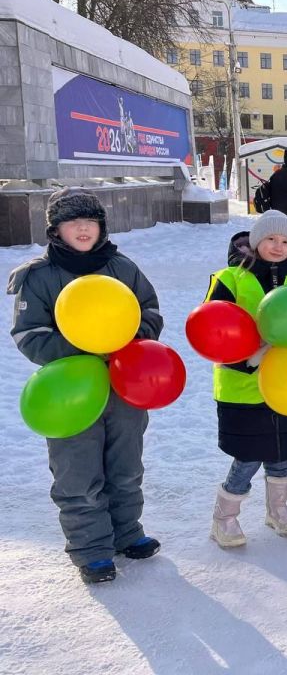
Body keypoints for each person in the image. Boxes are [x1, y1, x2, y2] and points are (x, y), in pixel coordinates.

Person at [7, 188, 164, 584]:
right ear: (56, 229)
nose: (82, 228)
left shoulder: (122, 268)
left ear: (101, 226)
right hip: (70, 394)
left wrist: (128, 338)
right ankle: (91, 549)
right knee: (77, 472)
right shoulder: (39, 276)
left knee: (126, 466)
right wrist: (83, 346)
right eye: (72, 221)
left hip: (123, 388)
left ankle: (127, 532)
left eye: (90, 221)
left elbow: (150, 311)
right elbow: (29, 334)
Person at [205, 210, 287, 547]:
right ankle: (224, 518)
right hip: (242, 383)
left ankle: (277, 510)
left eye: (286, 241)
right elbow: (214, 329)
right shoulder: (231, 278)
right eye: (271, 238)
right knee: (249, 453)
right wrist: (248, 358)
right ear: (256, 240)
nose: (278, 245)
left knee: (280, 450)